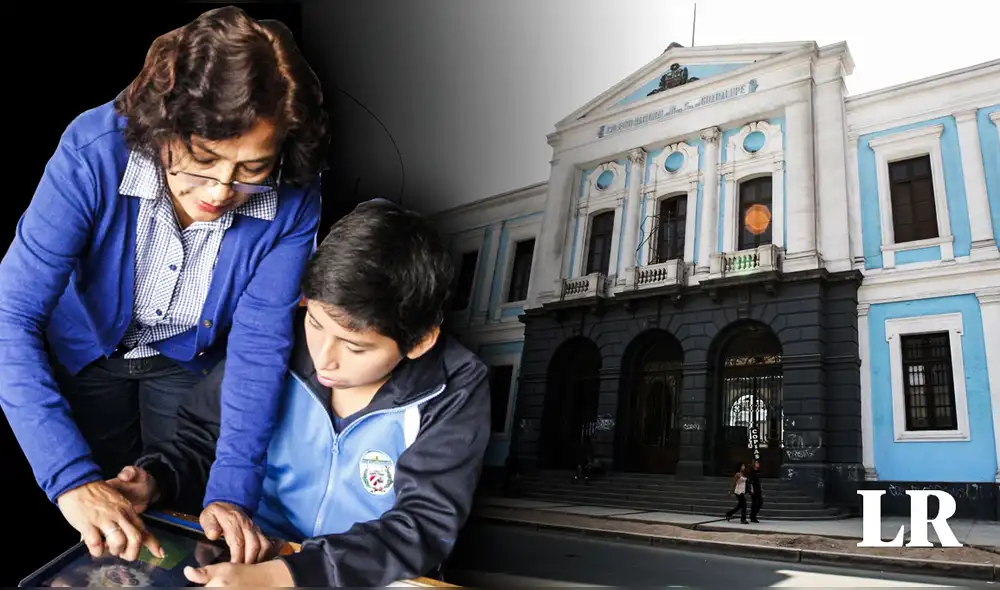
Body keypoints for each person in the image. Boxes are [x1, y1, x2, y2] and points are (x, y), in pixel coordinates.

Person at [0, 6, 328, 564]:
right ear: (164, 126)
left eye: (252, 168)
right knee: (92, 514)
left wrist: (230, 495)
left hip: (188, 362)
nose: (221, 190)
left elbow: (258, 351)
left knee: (178, 504)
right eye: (203, 159)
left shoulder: (295, 201)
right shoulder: (91, 152)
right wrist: (70, 479)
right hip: (86, 354)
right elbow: (11, 317)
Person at [106, 200, 492, 587]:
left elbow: (421, 528)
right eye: (315, 322)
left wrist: (282, 578)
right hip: (252, 554)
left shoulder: (453, 386)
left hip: (368, 576)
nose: (324, 358)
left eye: (354, 347)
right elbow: (203, 442)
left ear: (420, 342)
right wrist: (156, 479)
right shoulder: (276, 342)